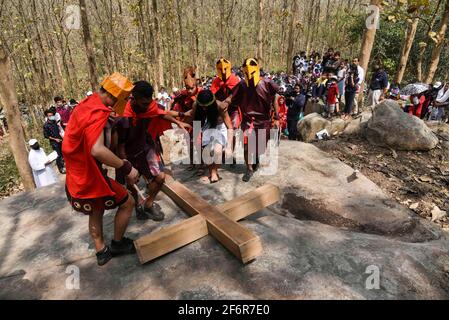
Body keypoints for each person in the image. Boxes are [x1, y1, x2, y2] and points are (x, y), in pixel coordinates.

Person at [62, 72, 139, 266]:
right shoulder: (98, 112)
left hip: (77, 174)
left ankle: (101, 251)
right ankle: (118, 244)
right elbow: (97, 150)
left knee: (95, 211)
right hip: (89, 175)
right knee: (128, 202)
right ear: (115, 97)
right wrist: (126, 167)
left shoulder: (87, 103)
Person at [117, 81, 191, 221]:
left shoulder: (149, 105)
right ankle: (139, 205)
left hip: (145, 144)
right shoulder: (124, 115)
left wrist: (178, 122)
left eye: (149, 101)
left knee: (160, 177)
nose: (147, 106)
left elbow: (161, 113)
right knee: (132, 183)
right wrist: (126, 166)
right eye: (143, 103)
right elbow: (120, 145)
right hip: (127, 152)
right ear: (135, 98)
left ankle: (149, 204)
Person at [220, 58, 280, 182]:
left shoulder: (267, 84)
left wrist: (277, 117)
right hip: (248, 121)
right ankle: (249, 169)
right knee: (247, 146)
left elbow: (275, 97)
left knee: (260, 147)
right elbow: (232, 95)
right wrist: (226, 101)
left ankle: (257, 157)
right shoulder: (242, 85)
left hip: (263, 121)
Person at [190, 90, 234, 183]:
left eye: (207, 107)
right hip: (207, 127)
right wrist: (196, 138)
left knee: (217, 151)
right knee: (207, 152)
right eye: (202, 107)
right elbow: (196, 122)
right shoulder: (195, 106)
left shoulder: (220, 106)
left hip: (220, 127)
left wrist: (229, 146)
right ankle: (212, 173)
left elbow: (229, 126)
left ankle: (215, 171)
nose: (204, 109)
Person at [43, 109, 66, 174]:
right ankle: (61, 169)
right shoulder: (46, 125)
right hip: (54, 143)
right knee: (58, 155)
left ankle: (65, 165)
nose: (51, 116)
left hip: (60, 140)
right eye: (49, 115)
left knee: (63, 153)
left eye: (52, 115)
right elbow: (46, 136)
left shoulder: (55, 122)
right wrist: (55, 139)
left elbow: (59, 130)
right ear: (47, 116)